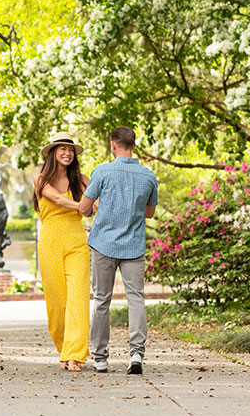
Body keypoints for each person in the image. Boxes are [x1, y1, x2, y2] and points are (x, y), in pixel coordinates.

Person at [79, 126, 158, 375]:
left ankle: (100, 358)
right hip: (133, 245)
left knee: (102, 300)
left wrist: (101, 205)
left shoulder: (102, 172)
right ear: (133, 146)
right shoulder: (148, 176)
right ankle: (136, 355)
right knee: (136, 298)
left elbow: (83, 208)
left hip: (103, 244)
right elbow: (149, 212)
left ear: (113, 145)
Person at [34, 132, 91, 372]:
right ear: (53, 153)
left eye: (70, 149)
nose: (67, 153)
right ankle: (65, 348)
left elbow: (94, 208)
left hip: (77, 243)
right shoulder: (40, 180)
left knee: (78, 299)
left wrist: (93, 206)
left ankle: (74, 355)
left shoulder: (83, 180)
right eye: (62, 149)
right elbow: (56, 198)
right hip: (50, 245)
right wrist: (82, 205)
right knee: (57, 305)